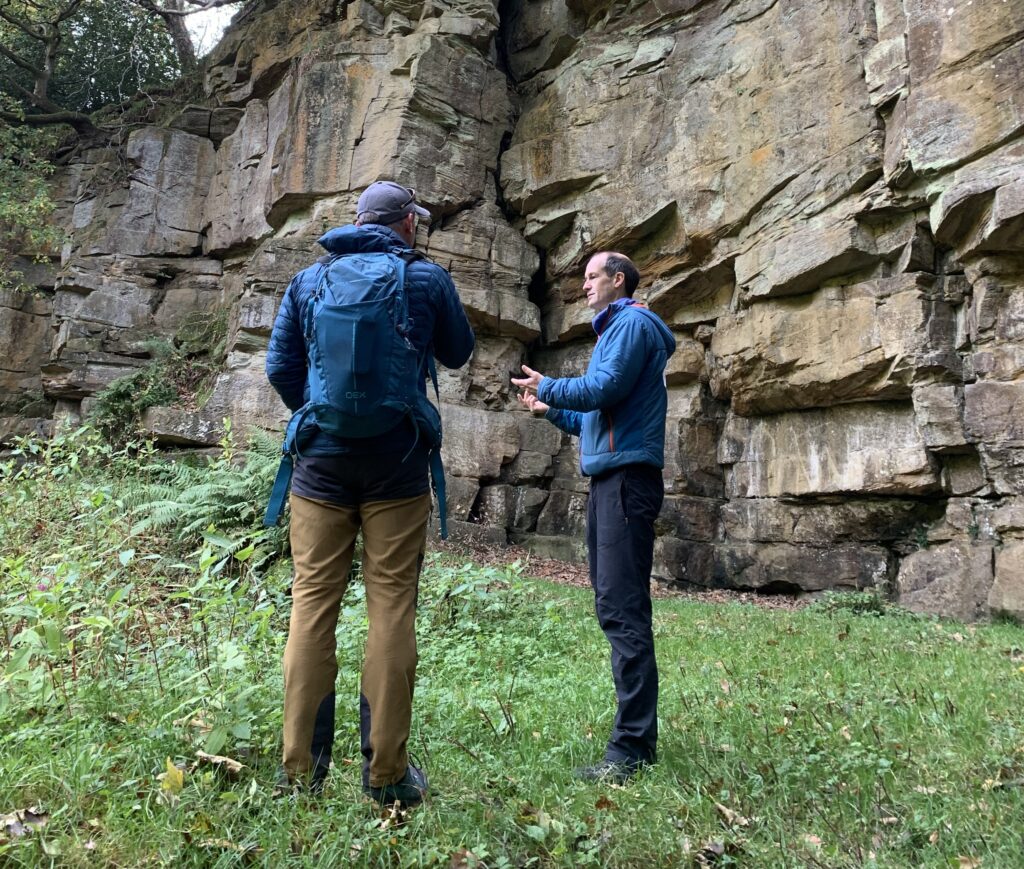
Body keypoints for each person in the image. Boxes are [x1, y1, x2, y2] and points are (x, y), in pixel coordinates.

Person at [266, 180, 475, 804]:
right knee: (390, 610)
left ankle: (300, 773)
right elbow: (459, 353)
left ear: (357, 221)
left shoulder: (308, 280)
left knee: (311, 608)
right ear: (407, 223)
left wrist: (318, 415)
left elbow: (280, 366)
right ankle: (385, 778)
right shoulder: (426, 279)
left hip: (319, 471)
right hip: (398, 467)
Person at [512, 251, 676, 782]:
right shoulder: (615, 333)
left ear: (618, 279)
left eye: (591, 277)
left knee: (624, 610)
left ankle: (631, 751)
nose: (583, 286)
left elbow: (603, 390)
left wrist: (549, 386)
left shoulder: (631, 324)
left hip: (627, 482)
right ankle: (634, 739)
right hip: (613, 479)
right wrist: (550, 408)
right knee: (613, 604)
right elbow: (597, 416)